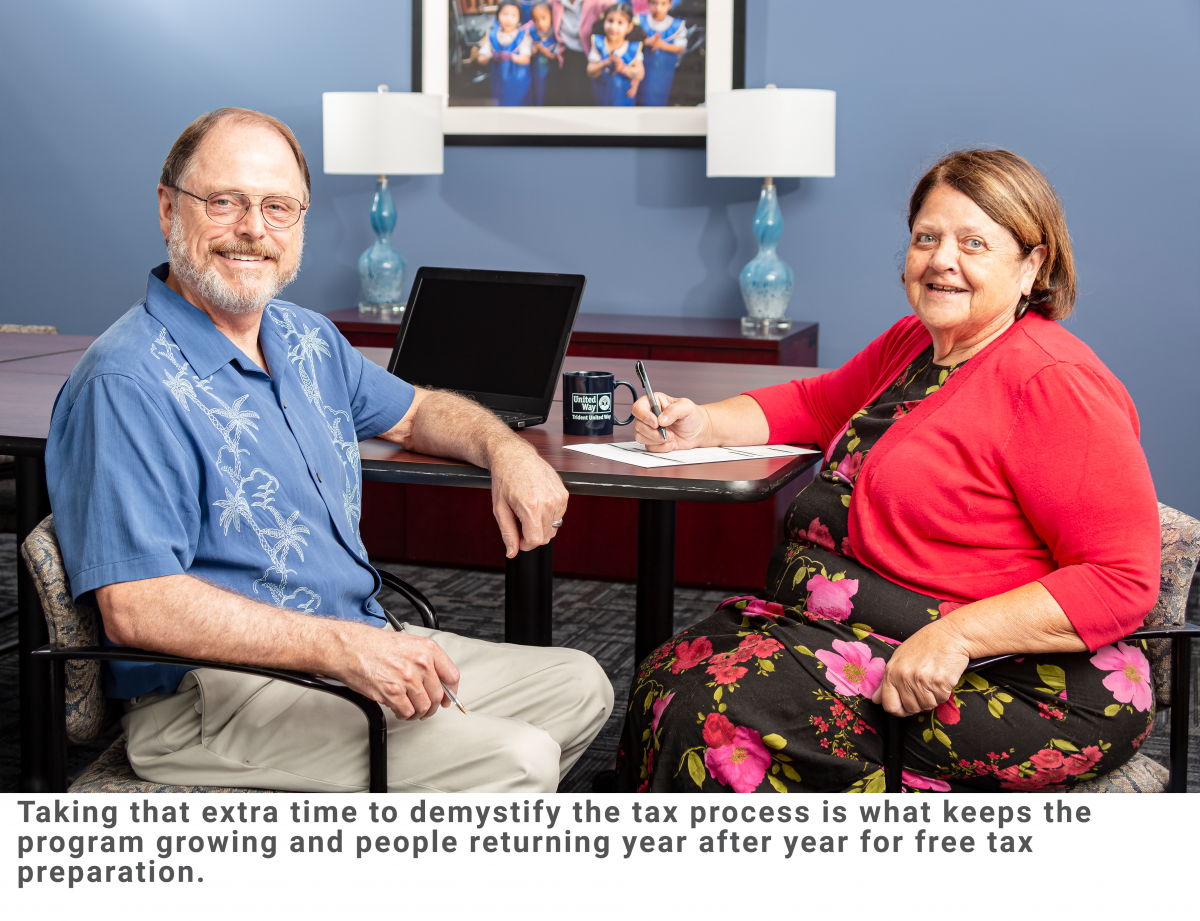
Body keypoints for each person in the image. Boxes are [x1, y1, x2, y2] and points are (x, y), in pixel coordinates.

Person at [45, 107, 614, 793]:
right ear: (168, 209)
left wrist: (505, 449)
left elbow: (417, 413)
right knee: (517, 758)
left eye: (278, 207)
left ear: (301, 221)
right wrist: (344, 647)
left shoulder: (305, 338)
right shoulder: (126, 380)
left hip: (347, 640)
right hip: (218, 699)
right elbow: (139, 606)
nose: (254, 229)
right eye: (225, 202)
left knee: (583, 684)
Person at [616, 148, 1161, 793]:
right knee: (667, 673)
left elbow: (1120, 579)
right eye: (926, 238)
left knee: (710, 708)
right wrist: (700, 422)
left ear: (1031, 265)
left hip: (1017, 676)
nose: (941, 260)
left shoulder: (1051, 382)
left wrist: (957, 637)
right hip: (870, 632)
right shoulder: (916, 345)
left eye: (973, 243)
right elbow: (816, 405)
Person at [544, 0, 615, 105]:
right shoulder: (554, 2)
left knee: (582, 96)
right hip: (563, 53)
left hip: (588, 54)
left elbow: (619, 13)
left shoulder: (599, 2)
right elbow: (540, 13)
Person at [476, 2, 533, 107]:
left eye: (513, 15)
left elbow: (526, 59)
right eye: (505, 14)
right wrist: (491, 56)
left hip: (519, 84)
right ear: (498, 15)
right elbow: (480, 59)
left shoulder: (523, 35)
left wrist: (511, 57)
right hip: (498, 84)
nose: (508, 19)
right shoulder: (491, 35)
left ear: (519, 19)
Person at [587, 3, 644, 107]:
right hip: (601, 96)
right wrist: (605, 63)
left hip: (625, 97)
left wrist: (624, 69)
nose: (613, 27)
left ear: (629, 27)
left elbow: (640, 73)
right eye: (610, 21)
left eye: (620, 23)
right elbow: (590, 71)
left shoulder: (633, 48)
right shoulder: (598, 43)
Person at [635, 0, 686, 106]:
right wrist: (646, 42)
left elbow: (680, 47)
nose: (658, 7)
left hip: (665, 72)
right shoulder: (639, 20)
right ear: (648, 3)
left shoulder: (677, 25)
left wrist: (662, 45)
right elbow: (629, 41)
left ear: (670, 5)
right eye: (654, 3)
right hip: (642, 73)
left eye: (663, 4)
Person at [529, 2, 561, 106]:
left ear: (551, 15)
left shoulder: (557, 32)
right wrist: (532, 52)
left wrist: (545, 53)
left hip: (553, 72)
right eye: (536, 20)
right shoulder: (532, 32)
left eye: (544, 18)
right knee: (538, 93)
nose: (540, 23)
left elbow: (558, 55)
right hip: (537, 72)